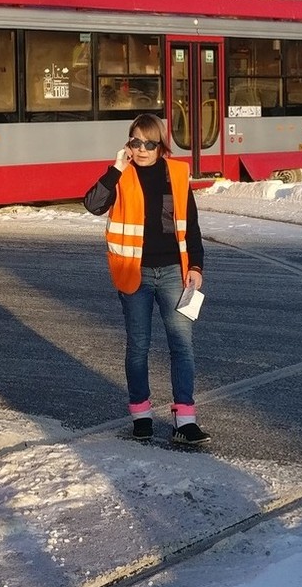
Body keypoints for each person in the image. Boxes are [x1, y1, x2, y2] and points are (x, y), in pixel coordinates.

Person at [84, 114, 209, 448]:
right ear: (128, 143)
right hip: (134, 273)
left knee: (182, 345)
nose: (141, 149)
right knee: (138, 346)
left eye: (148, 143)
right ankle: (141, 415)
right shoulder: (121, 176)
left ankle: (185, 419)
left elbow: (191, 225)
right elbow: (92, 204)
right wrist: (115, 169)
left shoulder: (178, 174)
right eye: (135, 142)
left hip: (173, 271)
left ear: (160, 145)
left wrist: (196, 265)